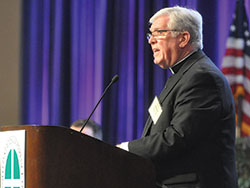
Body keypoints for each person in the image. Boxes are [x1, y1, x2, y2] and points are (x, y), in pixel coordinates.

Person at [117, 6, 238, 188]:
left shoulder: (202, 77)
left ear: (183, 38)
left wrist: (126, 149)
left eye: (159, 32)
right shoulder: (183, 75)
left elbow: (178, 137)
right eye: (151, 34)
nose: (152, 41)